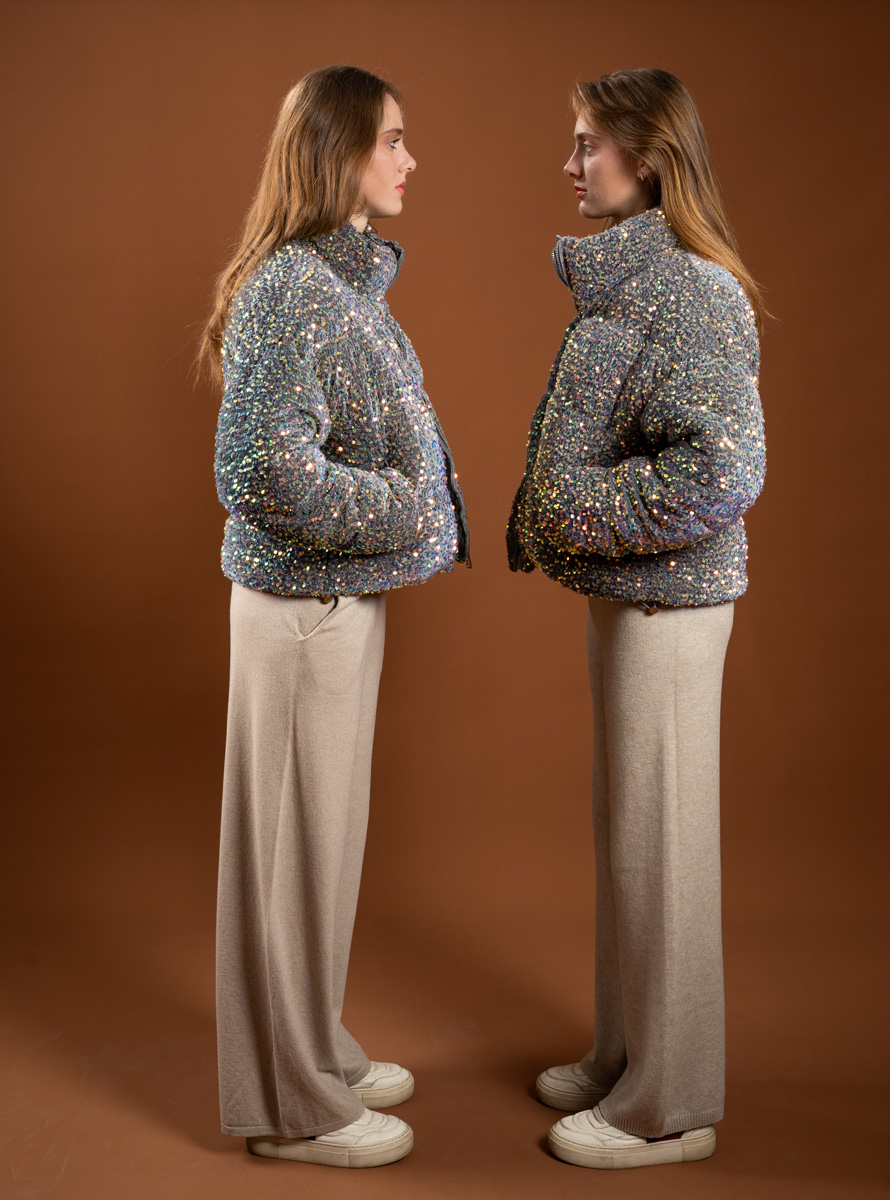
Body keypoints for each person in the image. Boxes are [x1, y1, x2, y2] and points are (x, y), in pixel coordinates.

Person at [201, 64, 469, 1170]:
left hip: (339, 600)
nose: (410, 159)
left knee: (323, 853)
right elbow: (260, 471)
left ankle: (313, 1049)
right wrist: (414, 506)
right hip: (301, 606)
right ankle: (290, 1106)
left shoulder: (341, 284)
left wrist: (405, 515)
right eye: (392, 139)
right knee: (289, 861)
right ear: (339, 149)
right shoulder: (292, 289)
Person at [507, 67, 765, 1170]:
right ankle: (626, 1054)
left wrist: (576, 512)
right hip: (630, 593)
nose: (570, 165)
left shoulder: (690, 291)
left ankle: (670, 1104)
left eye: (587, 144)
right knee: (631, 838)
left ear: (649, 158)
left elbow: (725, 468)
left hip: (670, 599)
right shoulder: (627, 280)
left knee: (663, 845)